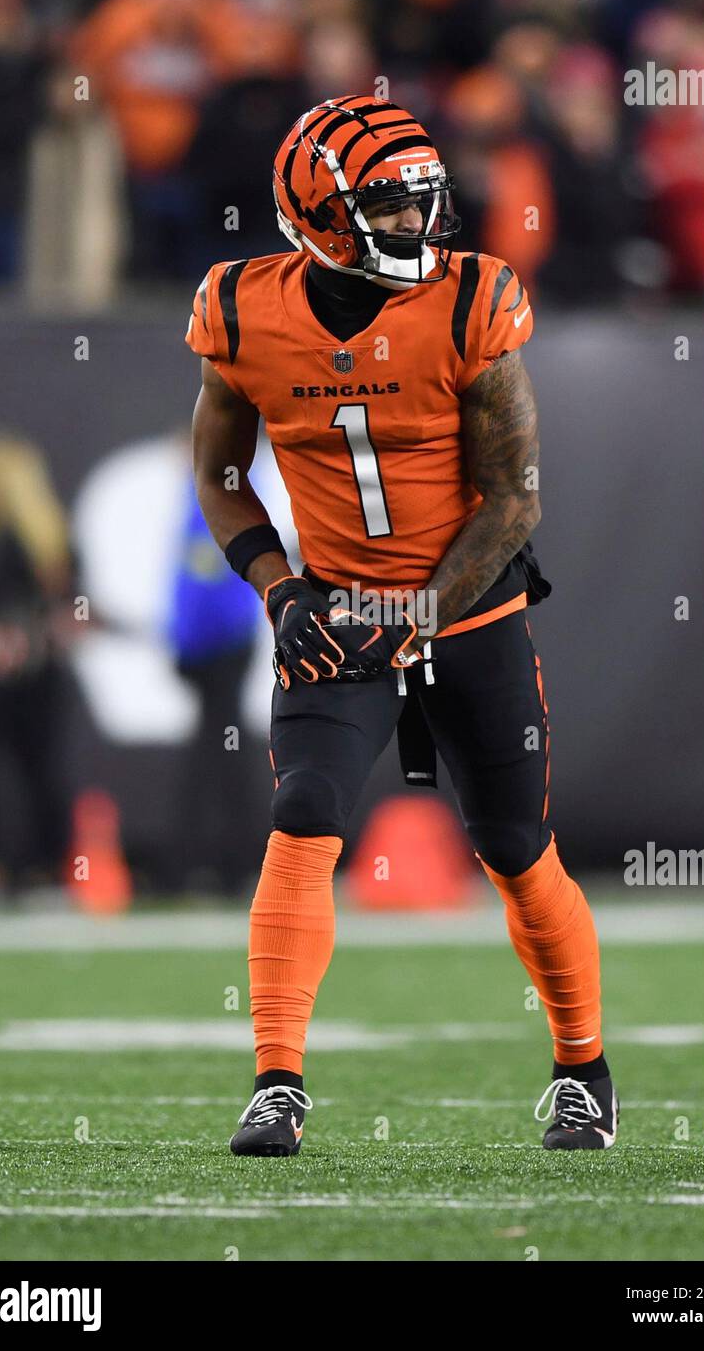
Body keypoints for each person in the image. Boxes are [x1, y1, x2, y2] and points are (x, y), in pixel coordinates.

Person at [187, 95, 618, 1156]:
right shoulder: (243, 310)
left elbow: (513, 499)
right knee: (303, 813)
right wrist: (284, 594)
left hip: (469, 612)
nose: (422, 226)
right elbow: (218, 471)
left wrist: (419, 615)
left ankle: (582, 1069)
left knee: (517, 847)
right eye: (391, 204)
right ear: (320, 215)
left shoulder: (472, 301)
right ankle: (276, 1081)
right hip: (337, 612)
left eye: (426, 201)